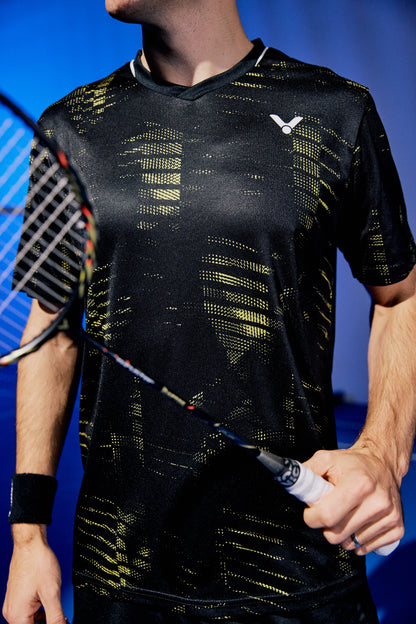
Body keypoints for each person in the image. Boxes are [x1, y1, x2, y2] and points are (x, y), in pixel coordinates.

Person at [3, 1, 416, 622]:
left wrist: (382, 453)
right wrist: (28, 535)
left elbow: (401, 295)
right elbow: (52, 330)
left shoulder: (335, 110)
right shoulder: (71, 129)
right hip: (120, 578)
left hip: (298, 574)